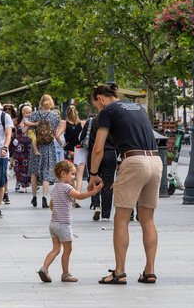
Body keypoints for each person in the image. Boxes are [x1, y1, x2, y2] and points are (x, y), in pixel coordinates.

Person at [88, 84, 162, 284]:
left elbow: (98, 147)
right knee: (147, 219)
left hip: (133, 160)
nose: (98, 109)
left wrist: (93, 174)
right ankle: (150, 271)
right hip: (155, 161)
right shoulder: (138, 107)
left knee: (121, 218)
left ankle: (119, 272)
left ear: (100, 98)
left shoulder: (107, 111)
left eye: (96, 105)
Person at [37, 160, 102, 284]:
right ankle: (65, 274)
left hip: (53, 224)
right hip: (64, 225)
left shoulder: (55, 188)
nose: (73, 177)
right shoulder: (67, 187)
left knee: (56, 249)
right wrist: (94, 192)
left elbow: (52, 205)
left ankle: (44, 268)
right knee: (67, 250)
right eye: (72, 174)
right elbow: (79, 196)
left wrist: (58, 210)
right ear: (63, 174)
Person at [26, 94, 64, 208]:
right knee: (47, 172)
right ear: (51, 103)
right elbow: (55, 134)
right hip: (48, 146)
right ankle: (44, 198)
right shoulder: (55, 116)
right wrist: (61, 143)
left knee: (34, 172)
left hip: (36, 147)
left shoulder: (34, 114)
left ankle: (34, 197)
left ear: (41, 102)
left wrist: (35, 125)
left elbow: (28, 128)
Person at [82, 113, 117, 222]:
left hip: (93, 153)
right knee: (108, 183)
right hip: (110, 153)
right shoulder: (113, 122)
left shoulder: (90, 122)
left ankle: (96, 205)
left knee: (93, 178)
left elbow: (82, 137)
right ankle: (106, 215)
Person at [64, 105, 86, 205]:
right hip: (80, 150)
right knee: (79, 176)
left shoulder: (65, 123)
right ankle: (77, 198)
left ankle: (72, 198)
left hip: (69, 150)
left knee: (70, 175)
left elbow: (56, 134)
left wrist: (62, 143)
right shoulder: (81, 123)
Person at [11, 103, 33, 194]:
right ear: (22, 112)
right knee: (17, 165)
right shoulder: (16, 121)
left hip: (28, 147)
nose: (29, 114)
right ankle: (19, 183)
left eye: (30, 112)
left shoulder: (32, 120)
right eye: (27, 112)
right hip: (18, 147)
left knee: (26, 166)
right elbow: (16, 132)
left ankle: (24, 184)